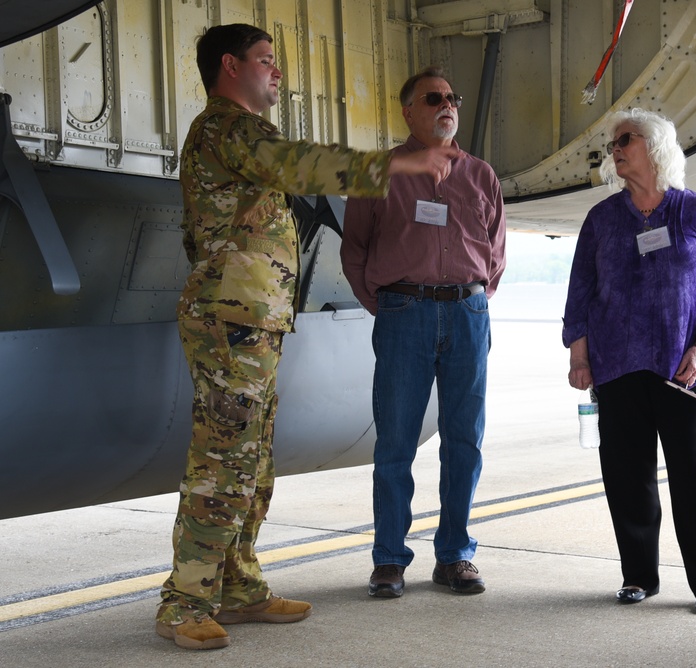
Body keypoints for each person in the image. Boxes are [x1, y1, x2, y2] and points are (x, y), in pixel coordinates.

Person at [157, 24, 457, 651]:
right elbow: (295, 165)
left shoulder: (237, 134)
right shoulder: (228, 129)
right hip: (230, 319)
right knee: (223, 462)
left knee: (251, 460)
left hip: (250, 318)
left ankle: (236, 587)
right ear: (230, 66)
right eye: (266, 61)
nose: (277, 73)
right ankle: (184, 602)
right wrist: (397, 161)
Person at [341, 65, 506, 599]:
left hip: (466, 314)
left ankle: (455, 556)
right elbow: (355, 250)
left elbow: (495, 256)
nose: (447, 104)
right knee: (395, 443)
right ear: (408, 110)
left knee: (465, 440)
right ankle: (389, 559)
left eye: (453, 96)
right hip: (403, 313)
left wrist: (469, 298)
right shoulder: (381, 170)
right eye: (434, 97)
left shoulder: (481, 175)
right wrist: (390, 305)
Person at [562, 108, 696, 613]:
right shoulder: (602, 219)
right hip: (617, 365)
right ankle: (638, 576)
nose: (615, 149)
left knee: (691, 474)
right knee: (626, 475)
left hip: (683, 367)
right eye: (612, 143)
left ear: (655, 147)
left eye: (625, 140)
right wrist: (580, 355)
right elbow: (581, 291)